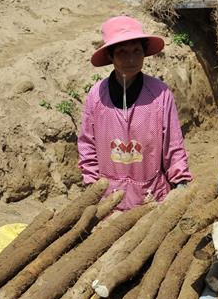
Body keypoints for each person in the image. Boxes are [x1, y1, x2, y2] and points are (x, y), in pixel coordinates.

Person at [78, 15, 192, 210]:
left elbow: (173, 145)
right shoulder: (96, 96)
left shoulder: (160, 94)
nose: (131, 59)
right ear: (110, 56)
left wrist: (181, 182)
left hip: (152, 199)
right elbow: (87, 145)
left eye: (136, 51)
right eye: (122, 52)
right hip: (109, 202)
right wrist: (93, 188)